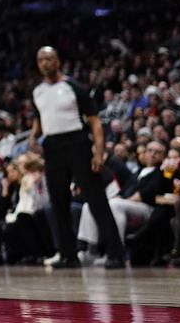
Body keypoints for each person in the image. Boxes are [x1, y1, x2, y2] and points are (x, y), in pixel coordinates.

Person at [30, 45, 124, 268]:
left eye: (49, 59)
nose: (45, 63)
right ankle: (67, 255)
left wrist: (98, 151)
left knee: (96, 199)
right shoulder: (37, 91)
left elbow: (94, 121)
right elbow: (39, 119)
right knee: (58, 202)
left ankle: (115, 253)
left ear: (58, 61)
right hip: (52, 147)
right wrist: (33, 137)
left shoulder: (73, 87)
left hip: (77, 142)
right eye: (41, 60)